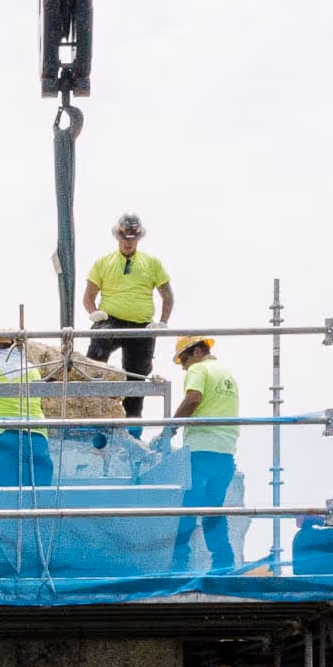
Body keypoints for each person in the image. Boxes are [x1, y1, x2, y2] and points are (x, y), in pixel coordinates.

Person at [167, 335, 240, 574]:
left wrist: (170, 426)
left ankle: (178, 565)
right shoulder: (226, 373)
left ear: (197, 351)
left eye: (184, 360)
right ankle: (223, 563)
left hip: (201, 450)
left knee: (187, 508)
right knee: (213, 509)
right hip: (226, 453)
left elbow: (193, 398)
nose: (184, 367)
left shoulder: (199, 369)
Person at [83, 214, 174, 405]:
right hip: (110, 320)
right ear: (118, 238)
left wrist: (162, 322)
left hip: (141, 326)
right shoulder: (103, 263)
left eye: (132, 240)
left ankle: (132, 425)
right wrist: (93, 312)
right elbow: (88, 296)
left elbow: (167, 296)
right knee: (94, 359)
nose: (128, 244)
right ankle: (88, 403)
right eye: (124, 239)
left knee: (137, 375)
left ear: (139, 239)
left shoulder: (151, 263)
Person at [0, 329, 50, 492]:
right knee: (41, 493)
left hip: (5, 434)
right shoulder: (32, 369)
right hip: (37, 434)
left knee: (7, 492)